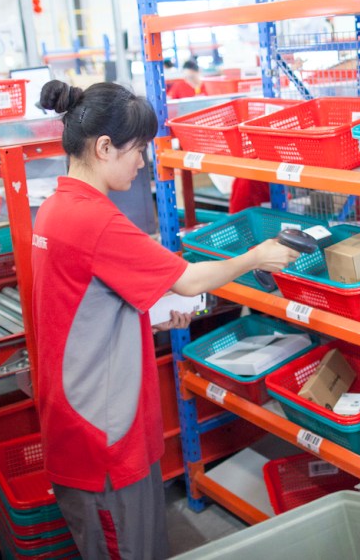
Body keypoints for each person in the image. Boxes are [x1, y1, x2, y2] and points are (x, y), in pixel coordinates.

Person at [32, 80, 298, 559]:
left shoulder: (55, 209)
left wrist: (139, 322)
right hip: (104, 436)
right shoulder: (94, 220)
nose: (142, 163)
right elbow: (190, 281)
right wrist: (256, 257)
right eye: (138, 151)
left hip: (78, 418)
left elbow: (79, 309)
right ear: (104, 147)